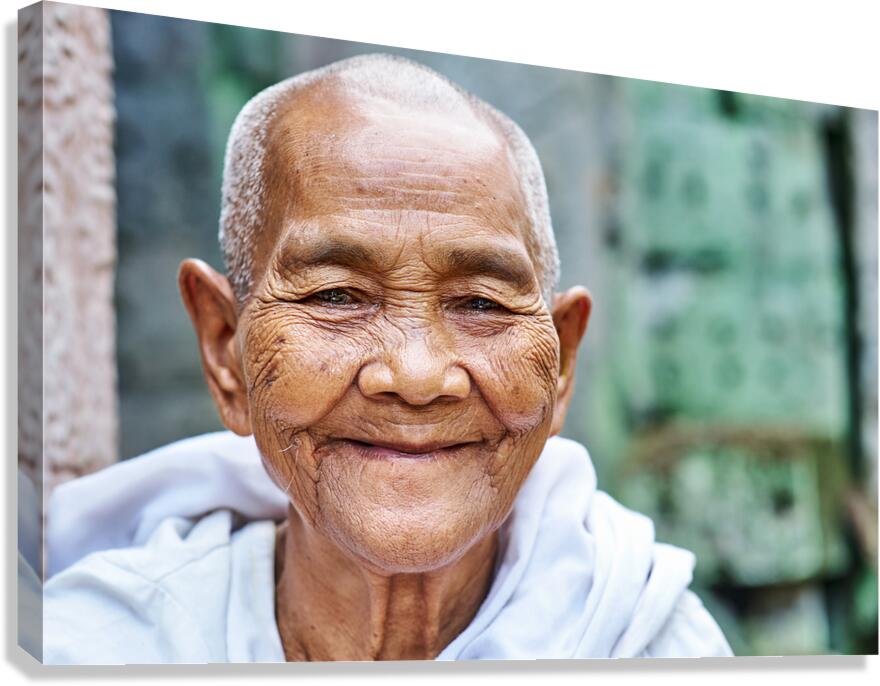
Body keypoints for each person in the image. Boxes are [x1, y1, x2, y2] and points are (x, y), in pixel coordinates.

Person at [43, 54, 732, 663]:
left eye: (483, 304)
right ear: (226, 348)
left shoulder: (655, 649)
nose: (417, 374)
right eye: (338, 296)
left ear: (560, 367)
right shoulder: (94, 652)